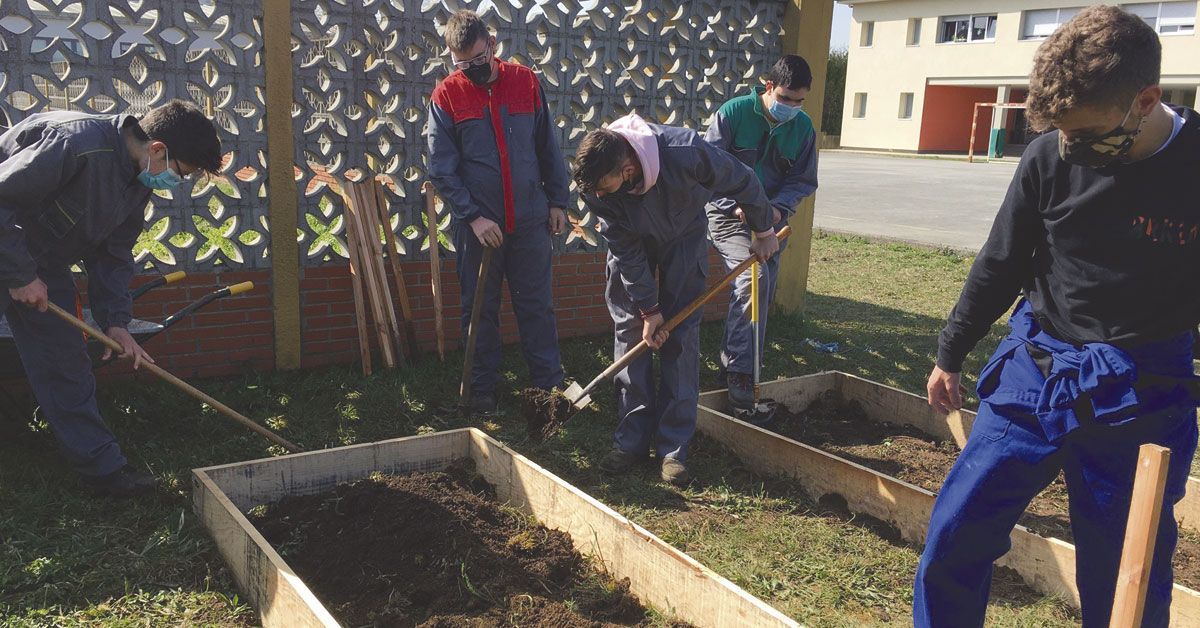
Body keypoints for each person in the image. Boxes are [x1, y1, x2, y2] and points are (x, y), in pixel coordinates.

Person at [916, 7, 1200, 626]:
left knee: (1127, 572)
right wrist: (950, 352)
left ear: (1146, 101)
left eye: (1089, 136)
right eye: (1064, 136)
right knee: (956, 532)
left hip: (1142, 388)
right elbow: (1001, 261)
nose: (1074, 151)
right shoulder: (1050, 156)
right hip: (1038, 366)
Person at [0, 99, 222, 497]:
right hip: (10, 244)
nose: (177, 182)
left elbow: (114, 255)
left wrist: (115, 322)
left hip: (41, 261)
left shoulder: (137, 181)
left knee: (66, 363)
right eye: (180, 173)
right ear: (157, 149)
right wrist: (18, 274)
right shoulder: (74, 144)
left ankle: (105, 475)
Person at [572, 112, 779, 486]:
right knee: (631, 331)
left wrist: (763, 228)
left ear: (628, 167)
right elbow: (626, 249)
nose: (598, 197)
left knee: (680, 336)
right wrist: (649, 310)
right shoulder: (597, 187)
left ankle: (672, 449)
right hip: (631, 247)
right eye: (595, 192)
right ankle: (630, 440)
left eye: (604, 188)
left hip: (684, 237)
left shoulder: (684, 152)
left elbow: (742, 180)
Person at [426, 9, 571, 414]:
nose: (470, 70)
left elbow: (547, 146)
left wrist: (557, 201)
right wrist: (473, 216)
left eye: (476, 60)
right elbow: (441, 168)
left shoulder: (525, 82)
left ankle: (549, 387)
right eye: (460, 64)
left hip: (529, 222)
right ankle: (481, 390)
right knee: (479, 309)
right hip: (479, 228)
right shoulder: (447, 95)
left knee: (536, 305)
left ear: (491, 45)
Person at [704, 54, 818, 413]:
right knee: (753, 280)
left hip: (771, 223)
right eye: (786, 98)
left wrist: (776, 210)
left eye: (799, 101)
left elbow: (802, 180)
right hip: (727, 216)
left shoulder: (803, 129)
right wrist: (742, 204)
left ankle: (734, 366)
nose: (792, 107)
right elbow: (706, 169)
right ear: (769, 87)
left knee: (762, 288)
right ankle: (741, 373)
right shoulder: (733, 113)